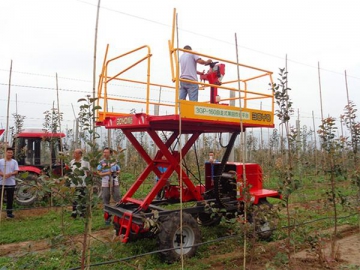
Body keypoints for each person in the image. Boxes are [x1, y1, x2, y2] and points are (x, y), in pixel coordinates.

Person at [97, 147, 121, 225]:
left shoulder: (114, 161)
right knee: (106, 199)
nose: (104, 154)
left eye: (106, 152)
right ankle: (107, 218)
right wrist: (107, 173)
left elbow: (119, 170)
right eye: (104, 152)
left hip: (114, 182)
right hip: (105, 183)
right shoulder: (101, 162)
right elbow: (99, 173)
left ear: (110, 153)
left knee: (117, 198)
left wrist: (116, 172)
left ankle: (119, 217)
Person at [69, 149, 90, 218]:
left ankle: (82, 214)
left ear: (80, 154)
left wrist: (88, 182)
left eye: (75, 153)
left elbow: (88, 172)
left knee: (82, 198)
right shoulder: (71, 162)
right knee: (75, 199)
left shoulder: (85, 162)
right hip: (74, 184)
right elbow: (70, 172)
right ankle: (74, 213)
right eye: (74, 153)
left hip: (82, 184)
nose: (74, 154)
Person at [0, 147, 19, 219]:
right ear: (5, 153)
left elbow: (16, 171)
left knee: (10, 199)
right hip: (1, 183)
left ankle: (9, 214)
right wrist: (2, 174)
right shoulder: (1, 161)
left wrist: (10, 174)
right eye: (8, 152)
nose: (10, 154)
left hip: (11, 183)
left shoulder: (14, 162)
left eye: (11, 153)